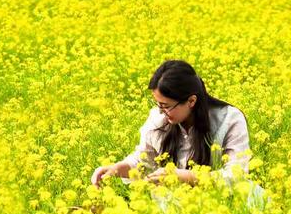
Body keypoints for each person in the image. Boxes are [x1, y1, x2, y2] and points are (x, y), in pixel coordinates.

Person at [91, 60, 255, 197]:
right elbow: (143, 160)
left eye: (166, 106)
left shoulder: (228, 120)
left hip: (227, 201)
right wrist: (117, 169)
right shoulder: (159, 118)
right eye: (158, 104)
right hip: (177, 205)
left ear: (191, 101)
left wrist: (184, 177)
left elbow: (236, 175)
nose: (161, 111)